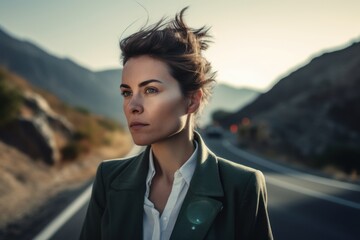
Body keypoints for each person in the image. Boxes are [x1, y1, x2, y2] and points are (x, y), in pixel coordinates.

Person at [80, 7, 273, 240]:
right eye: (126, 92)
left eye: (151, 90)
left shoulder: (243, 186)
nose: (133, 105)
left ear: (192, 100)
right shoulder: (109, 177)